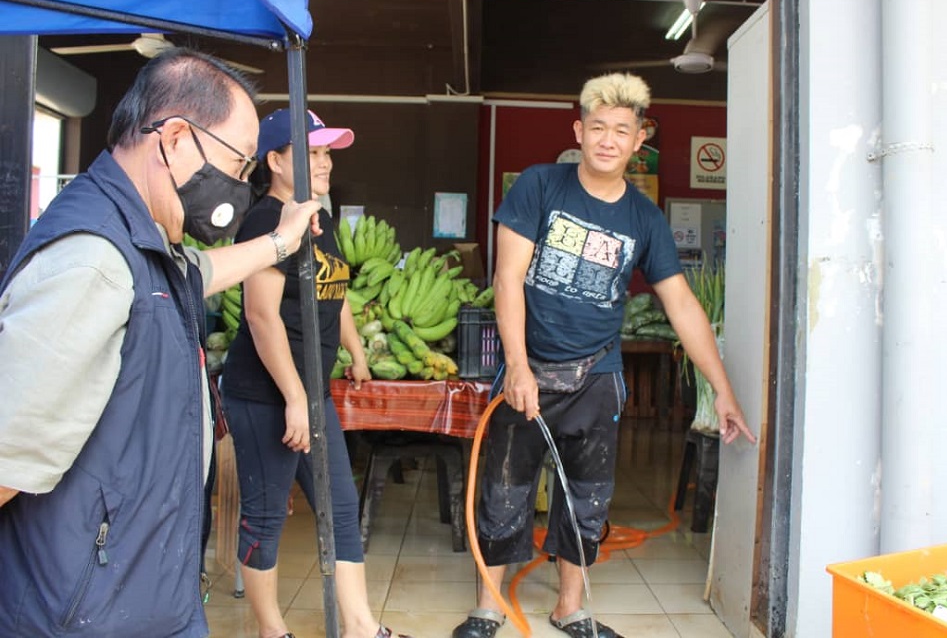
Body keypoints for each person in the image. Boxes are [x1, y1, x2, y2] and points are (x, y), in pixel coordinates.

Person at [0, 48, 322, 637]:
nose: (240, 185)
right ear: (175, 139)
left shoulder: (144, 241)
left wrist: (281, 242)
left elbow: (198, 272)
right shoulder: (92, 261)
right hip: (84, 615)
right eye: (238, 162)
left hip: (144, 601)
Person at [452, 73, 757, 638]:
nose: (609, 140)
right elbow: (508, 276)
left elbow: (683, 306)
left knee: (586, 499)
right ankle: (489, 605)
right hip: (528, 370)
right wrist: (517, 365)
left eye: (622, 130)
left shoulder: (644, 218)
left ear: (639, 139)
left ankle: (571, 606)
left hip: (597, 376)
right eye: (598, 128)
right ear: (579, 131)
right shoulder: (540, 186)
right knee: (503, 488)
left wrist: (723, 390)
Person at [221, 108, 411, 638]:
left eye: (327, 152)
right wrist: (295, 397)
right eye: (312, 153)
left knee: (340, 508)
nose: (325, 162)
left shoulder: (316, 216)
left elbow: (334, 290)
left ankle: (359, 626)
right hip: (265, 395)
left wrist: (355, 351)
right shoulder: (266, 221)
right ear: (276, 160)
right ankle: (270, 631)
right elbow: (260, 317)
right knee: (266, 516)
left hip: (308, 390)